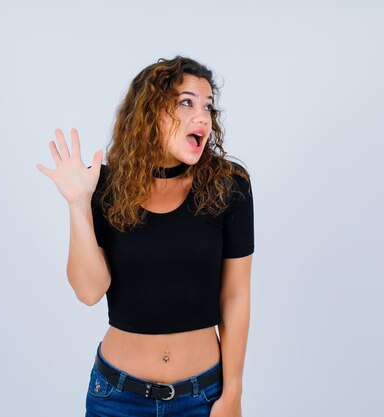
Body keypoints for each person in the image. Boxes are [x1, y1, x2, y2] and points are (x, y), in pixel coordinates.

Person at [36, 56, 254, 417]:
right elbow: (90, 291)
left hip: (204, 397)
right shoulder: (105, 186)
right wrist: (78, 204)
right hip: (117, 398)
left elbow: (235, 294)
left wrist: (232, 393)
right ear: (149, 111)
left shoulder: (228, 185)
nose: (202, 116)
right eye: (187, 102)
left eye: (208, 107)